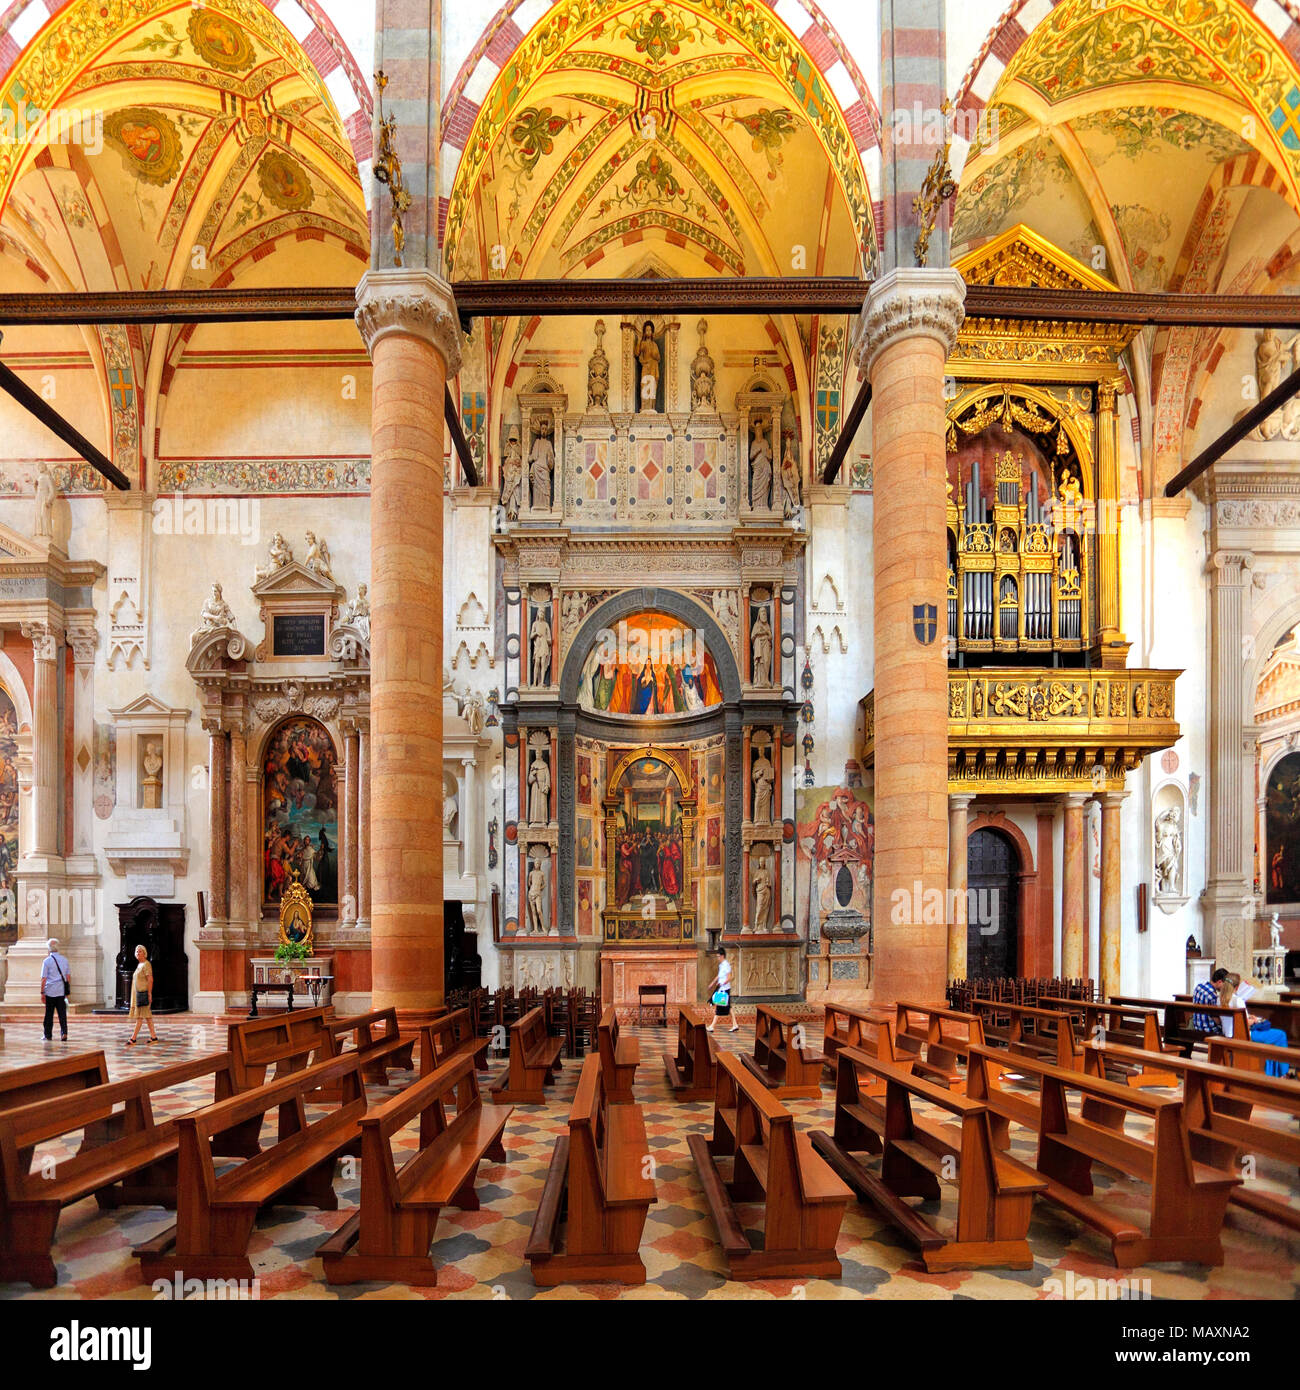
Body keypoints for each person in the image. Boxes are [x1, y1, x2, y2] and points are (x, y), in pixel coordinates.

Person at [1225, 971, 1290, 1075]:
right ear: (1237, 988)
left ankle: (1272, 1072)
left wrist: (1248, 1017)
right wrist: (1254, 1020)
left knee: (1272, 1038)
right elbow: (1243, 1023)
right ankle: (1283, 1072)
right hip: (1244, 1035)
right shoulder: (1238, 1000)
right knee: (1280, 1035)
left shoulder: (1220, 1000)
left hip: (1228, 1034)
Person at [125, 944, 157, 1045]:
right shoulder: (139, 965)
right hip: (138, 994)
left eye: (140, 951)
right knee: (147, 1016)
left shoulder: (146, 964)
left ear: (144, 953)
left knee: (140, 1017)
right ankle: (153, 1036)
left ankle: (133, 1038)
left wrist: (149, 993)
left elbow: (150, 979)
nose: (138, 953)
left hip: (143, 994)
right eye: (136, 951)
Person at [40, 937, 70, 1041]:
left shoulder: (47, 961)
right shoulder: (64, 960)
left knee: (49, 1014)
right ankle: (64, 1033)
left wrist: (42, 992)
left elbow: (44, 978)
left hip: (50, 991)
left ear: (49, 949)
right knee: (62, 1014)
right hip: (61, 991)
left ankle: (48, 1035)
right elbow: (68, 977)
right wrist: (66, 991)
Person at [706, 946, 739, 1033]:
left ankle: (712, 1026)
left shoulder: (726, 965)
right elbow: (719, 975)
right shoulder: (721, 965)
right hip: (721, 987)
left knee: (720, 1007)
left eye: (718, 956)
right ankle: (735, 1024)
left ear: (722, 956)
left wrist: (723, 983)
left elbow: (729, 977)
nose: (717, 958)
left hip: (725, 989)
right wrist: (713, 983)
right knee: (727, 1006)